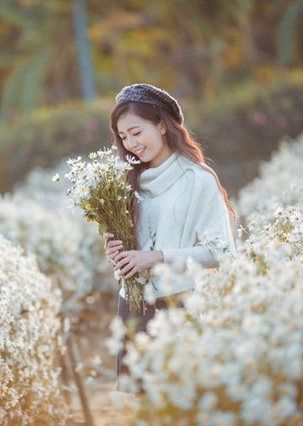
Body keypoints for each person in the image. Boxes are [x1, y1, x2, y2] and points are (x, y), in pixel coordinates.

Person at [103, 83, 237, 392]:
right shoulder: (125, 183)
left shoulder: (197, 180)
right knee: (141, 408)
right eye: (123, 137)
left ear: (161, 124)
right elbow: (132, 250)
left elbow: (222, 251)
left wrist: (157, 257)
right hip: (132, 306)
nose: (131, 143)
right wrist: (116, 250)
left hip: (178, 305)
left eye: (136, 132)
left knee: (178, 404)